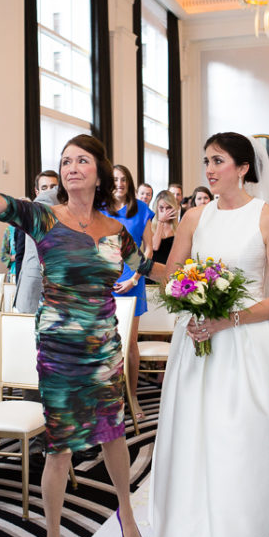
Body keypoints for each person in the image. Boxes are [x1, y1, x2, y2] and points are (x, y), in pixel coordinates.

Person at [0, 122, 164, 537]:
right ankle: (54, 534)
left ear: (99, 172)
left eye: (82, 160)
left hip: (104, 351)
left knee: (113, 435)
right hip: (59, 353)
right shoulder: (43, 218)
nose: (71, 167)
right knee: (59, 447)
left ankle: (127, 515)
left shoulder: (114, 231)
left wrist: (199, 280)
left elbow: (149, 269)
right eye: (66, 161)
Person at [150, 132, 269, 537]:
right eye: (206, 161)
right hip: (198, 337)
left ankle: (254, 520)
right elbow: (171, 277)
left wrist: (228, 319)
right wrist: (167, 280)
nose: (210, 170)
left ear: (243, 168)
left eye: (218, 161)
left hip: (251, 341)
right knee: (197, 430)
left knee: (246, 435)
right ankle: (194, 516)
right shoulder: (195, 218)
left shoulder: (267, 217)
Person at [104, 165, 155, 420]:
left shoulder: (141, 209)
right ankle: (110, 398)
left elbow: (149, 248)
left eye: (124, 179)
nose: (120, 183)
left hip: (134, 281)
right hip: (107, 282)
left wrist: (135, 278)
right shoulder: (100, 209)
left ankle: (133, 396)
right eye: (115, 179)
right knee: (106, 343)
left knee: (130, 343)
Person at [150, 190, 179, 268]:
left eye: (168, 208)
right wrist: (160, 221)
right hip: (154, 270)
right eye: (161, 208)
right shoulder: (150, 225)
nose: (165, 211)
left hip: (172, 270)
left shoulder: (178, 227)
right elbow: (155, 247)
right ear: (156, 208)